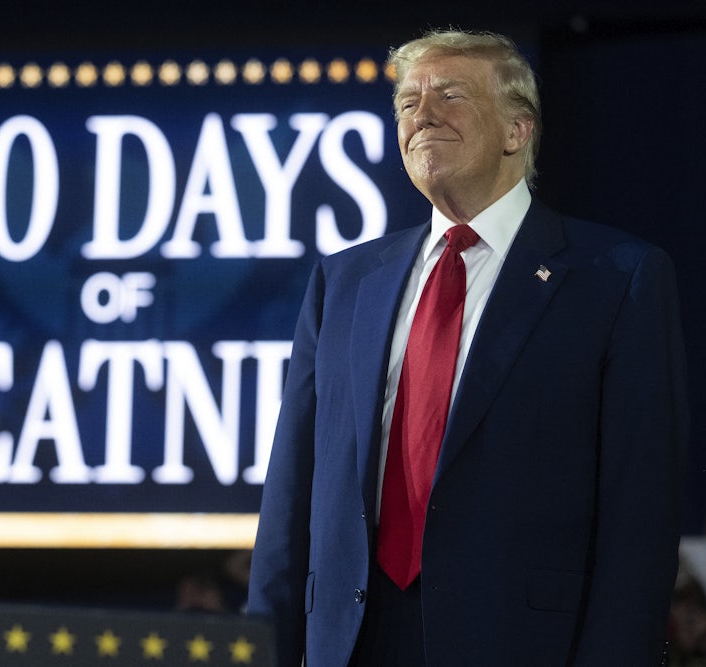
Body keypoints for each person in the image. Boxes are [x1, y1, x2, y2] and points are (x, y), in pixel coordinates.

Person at [247, 29, 687, 666]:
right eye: (406, 104)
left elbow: (638, 520)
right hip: (347, 641)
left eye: (449, 96)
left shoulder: (618, 278)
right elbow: (291, 496)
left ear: (517, 130)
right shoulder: (343, 282)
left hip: (518, 642)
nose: (420, 115)